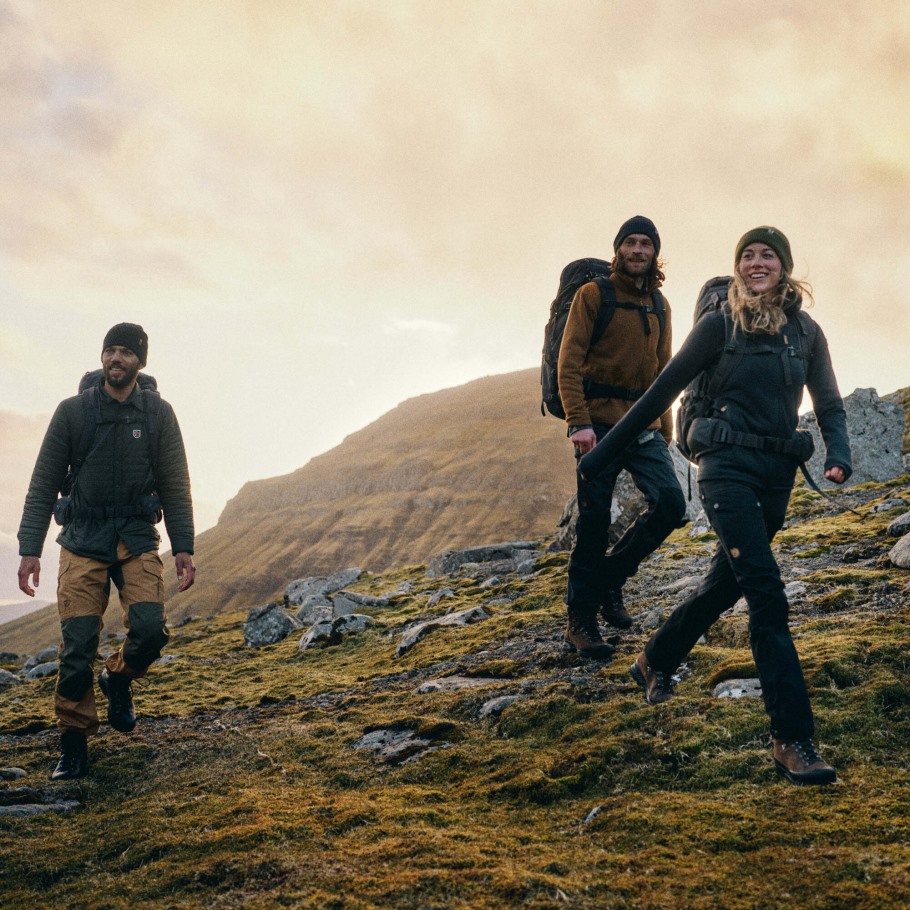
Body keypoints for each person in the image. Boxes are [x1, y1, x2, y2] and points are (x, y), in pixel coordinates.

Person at [579, 226, 851, 785]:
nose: (757, 263)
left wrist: (839, 454)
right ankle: (793, 739)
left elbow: (827, 399)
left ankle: (656, 658)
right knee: (766, 595)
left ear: (784, 266)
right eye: (747, 255)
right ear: (738, 266)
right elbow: (660, 392)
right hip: (725, 470)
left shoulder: (806, 332)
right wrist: (601, 456)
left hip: (777, 475)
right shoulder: (718, 325)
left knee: (726, 583)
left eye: (768, 255)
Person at [17, 323, 195, 780]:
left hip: (136, 537)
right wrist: (29, 549)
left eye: (126, 352)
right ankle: (73, 744)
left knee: (151, 630)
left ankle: (117, 677)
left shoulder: (158, 414)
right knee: (77, 644)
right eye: (111, 350)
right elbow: (43, 483)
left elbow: (175, 483)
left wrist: (184, 547)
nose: (117, 358)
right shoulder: (72, 412)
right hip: (82, 539)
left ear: (141, 361)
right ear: (102, 357)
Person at [557, 216, 686, 659]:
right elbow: (568, 361)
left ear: (655, 253)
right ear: (618, 249)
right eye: (630, 242)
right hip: (597, 426)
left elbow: (664, 373)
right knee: (593, 523)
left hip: (644, 427)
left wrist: (665, 430)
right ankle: (580, 621)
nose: (637, 250)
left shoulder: (660, 304)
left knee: (671, 504)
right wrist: (578, 421)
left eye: (645, 244)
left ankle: (611, 579)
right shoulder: (593, 295)